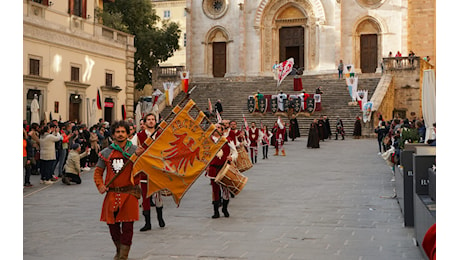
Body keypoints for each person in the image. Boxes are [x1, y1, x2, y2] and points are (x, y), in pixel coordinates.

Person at [93, 120, 144, 260]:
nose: (120, 134)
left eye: (123, 132)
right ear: (113, 134)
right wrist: (100, 185)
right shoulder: (106, 152)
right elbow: (98, 172)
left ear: (128, 134)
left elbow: (144, 169)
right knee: (113, 227)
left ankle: (123, 256)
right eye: (117, 132)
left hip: (129, 194)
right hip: (112, 194)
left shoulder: (135, 151)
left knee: (128, 227)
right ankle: (119, 250)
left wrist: (140, 156)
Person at [131, 113, 165, 231]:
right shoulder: (139, 136)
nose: (151, 121)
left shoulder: (160, 135)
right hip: (144, 170)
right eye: (148, 120)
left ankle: (160, 218)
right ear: (144, 122)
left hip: (157, 169)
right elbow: (131, 148)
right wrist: (137, 152)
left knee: (158, 196)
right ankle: (147, 223)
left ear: (155, 121)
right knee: (145, 196)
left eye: (153, 119)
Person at [207, 123, 238, 218]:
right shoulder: (208, 141)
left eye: (219, 128)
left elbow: (235, 152)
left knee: (225, 189)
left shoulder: (227, 140)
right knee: (215, 190)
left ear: (222, 130)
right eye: (215, 127)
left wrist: (231, 157)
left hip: (224, 167)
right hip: (213, 168)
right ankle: (216, 211)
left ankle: (225, 208)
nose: (216, 129)